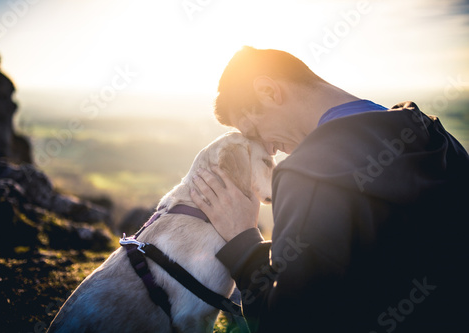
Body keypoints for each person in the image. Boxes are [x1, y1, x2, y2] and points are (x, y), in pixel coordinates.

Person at [190, 46, 469, 332]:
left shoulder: (308, 176)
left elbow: (289, 322)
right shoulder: (439, 140)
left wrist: (243, 243)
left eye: (254, 130)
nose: (269, 148)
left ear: (269, 91)